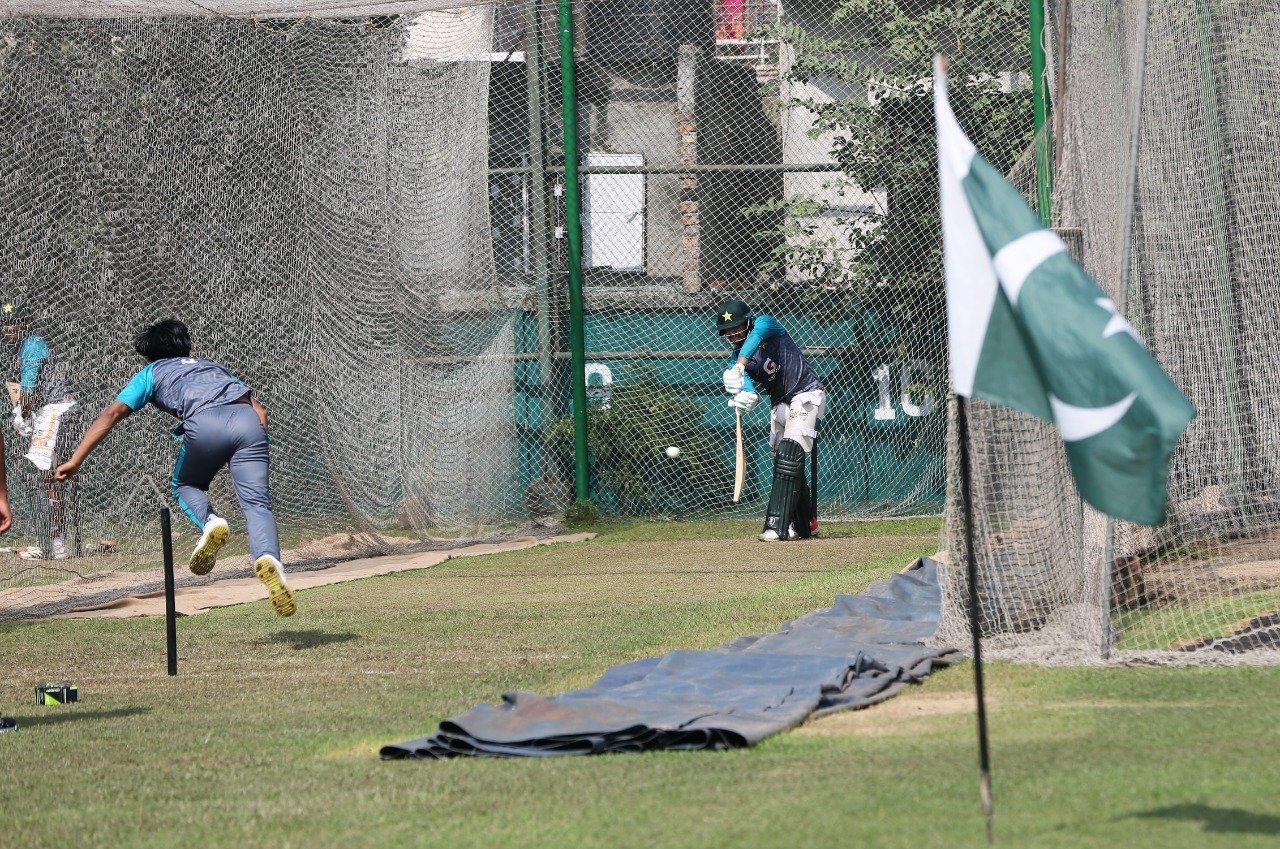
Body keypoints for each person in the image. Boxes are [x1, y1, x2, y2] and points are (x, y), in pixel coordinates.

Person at [54, 319, 296, 617]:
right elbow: (260, 409)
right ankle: (270, 559)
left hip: (205, 425)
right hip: (248, 424)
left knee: (185, 485)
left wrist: (76, 459)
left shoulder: (151, 373)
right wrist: (255, 446)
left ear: (149, 353)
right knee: (257, 503)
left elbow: (113, 413)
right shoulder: (213, 367)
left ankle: (210, 523)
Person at [715, 299, 826, 542]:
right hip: (780, 403)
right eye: (728, 330)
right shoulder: (733, 361)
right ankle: (806, 523)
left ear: (748, 321)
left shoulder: (765, 324)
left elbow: (754, 340)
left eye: (737, 326)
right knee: (786, 464)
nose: (733, 333)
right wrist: (745, 398)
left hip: (806, 392)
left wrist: (740, 367)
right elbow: (749, 390)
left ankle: (776, 526)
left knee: (790, 454)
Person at [2, 299, 74, 560]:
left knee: (50, 476)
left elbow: (29, 391)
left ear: (24, 324)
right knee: (49, 477)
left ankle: (58, 541)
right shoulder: (22, 348)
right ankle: (54, 539)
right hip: (50, 412)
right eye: (5, 324)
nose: (8, 328)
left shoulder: (32, 345)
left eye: (14, 323)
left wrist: (22, 415)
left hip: (54, 410)